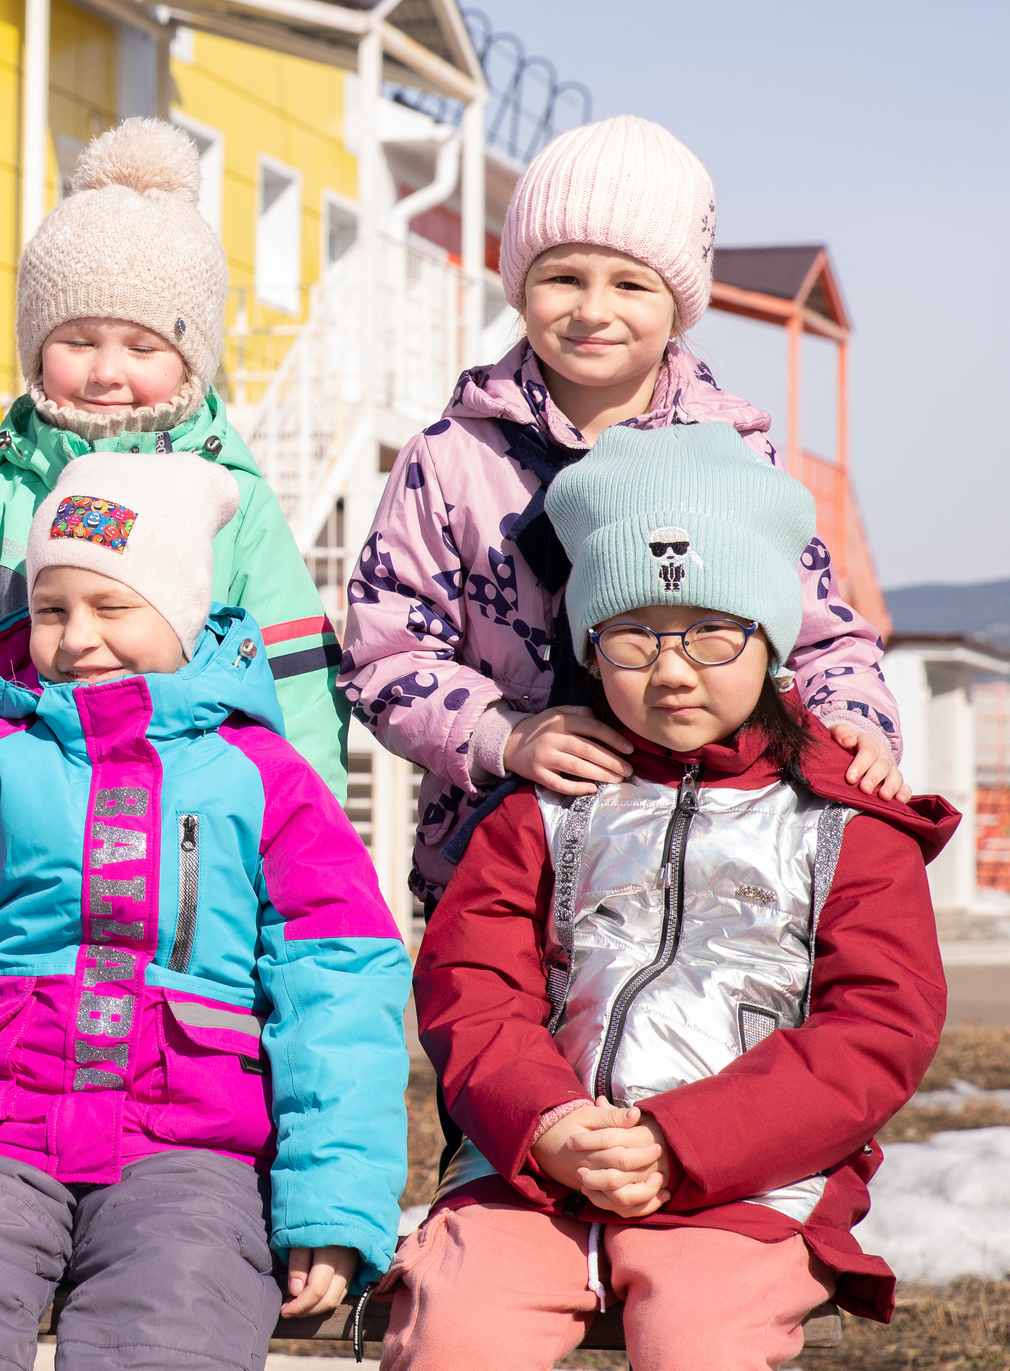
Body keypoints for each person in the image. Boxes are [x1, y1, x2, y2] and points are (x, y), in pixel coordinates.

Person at [390, 420, 954, 1371]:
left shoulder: (847, 819)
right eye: (634, 636)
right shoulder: (544, 806)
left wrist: (683, 1142)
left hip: (754, 1179)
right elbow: (471, 984)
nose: (675, 667)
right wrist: (548, 1123)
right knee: (456, 1328)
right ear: (591, 643)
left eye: (711, 631)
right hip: (533, 1167)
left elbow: (879, 1024)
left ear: (771, 635)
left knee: (700, 1338)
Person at [0, 454, 410, 1371]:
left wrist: (332, 1202)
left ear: (181, 617)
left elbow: (337, 982)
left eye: (114, 607)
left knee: (172, 1327)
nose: (77, 638)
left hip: (192, 1146)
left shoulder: (260, 775)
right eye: (53, 609)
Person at [339, 114, 902, 912]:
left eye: (631, 283)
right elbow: (383, 655)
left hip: (703, 873)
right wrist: (504, 736)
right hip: (504, 872)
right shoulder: (450, 460)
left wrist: (855, 722)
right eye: (563, 276)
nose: (592, 309)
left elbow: (819, 634)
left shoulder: (733, 458)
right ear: (519, 283)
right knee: (497, 1035)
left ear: (679, 305)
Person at [0, 118, 348, 799]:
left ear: (189, 360)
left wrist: (308, 838)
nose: (106, 371)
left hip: (198, 828)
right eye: (76, 339)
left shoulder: (234, 506)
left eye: (143, 346)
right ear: (36, 345)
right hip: (22, 820)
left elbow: (294, 679)